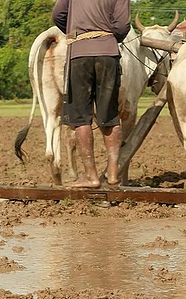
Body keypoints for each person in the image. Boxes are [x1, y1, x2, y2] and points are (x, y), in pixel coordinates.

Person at [52, 0, 130, 188]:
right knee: (110, 115)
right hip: (108, 54)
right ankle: (112, 174)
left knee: (81, 118)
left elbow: (57, 15)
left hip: (79, 55)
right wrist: (106, 37)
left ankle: (91, 177)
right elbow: (122, 25)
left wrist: (77, 32)